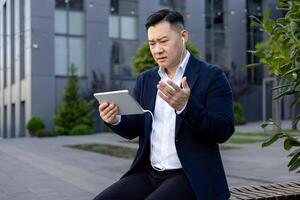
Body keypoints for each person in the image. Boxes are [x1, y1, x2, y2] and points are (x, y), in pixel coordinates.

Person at [94, 9, 234, 200]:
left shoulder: (212, 76)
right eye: (152, 43)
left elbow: (223, 130)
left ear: (183, 36)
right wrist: (115, 119)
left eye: (163, 41)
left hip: (190, 176)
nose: (157, 49)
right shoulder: (146, 79)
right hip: (149, 173)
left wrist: (186, 106)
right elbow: (134, 128)